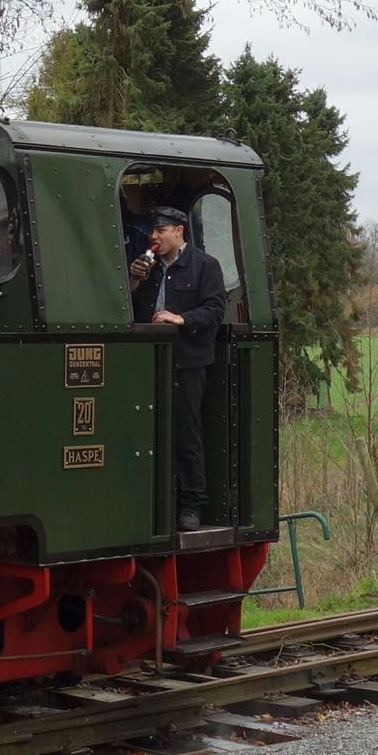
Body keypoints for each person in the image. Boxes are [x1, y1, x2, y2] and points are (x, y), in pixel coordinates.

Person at [128, 207, 227, 531]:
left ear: (179, 230)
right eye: (151, 232)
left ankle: (191, 506)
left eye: (160, 231)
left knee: (186, 434)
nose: (153, 237)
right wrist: (133, 280)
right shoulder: (149, 268)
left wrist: (180, 318)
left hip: (187, 363)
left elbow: (214, 310)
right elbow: (129, 306)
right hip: (145, 362)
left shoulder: (205, 266)